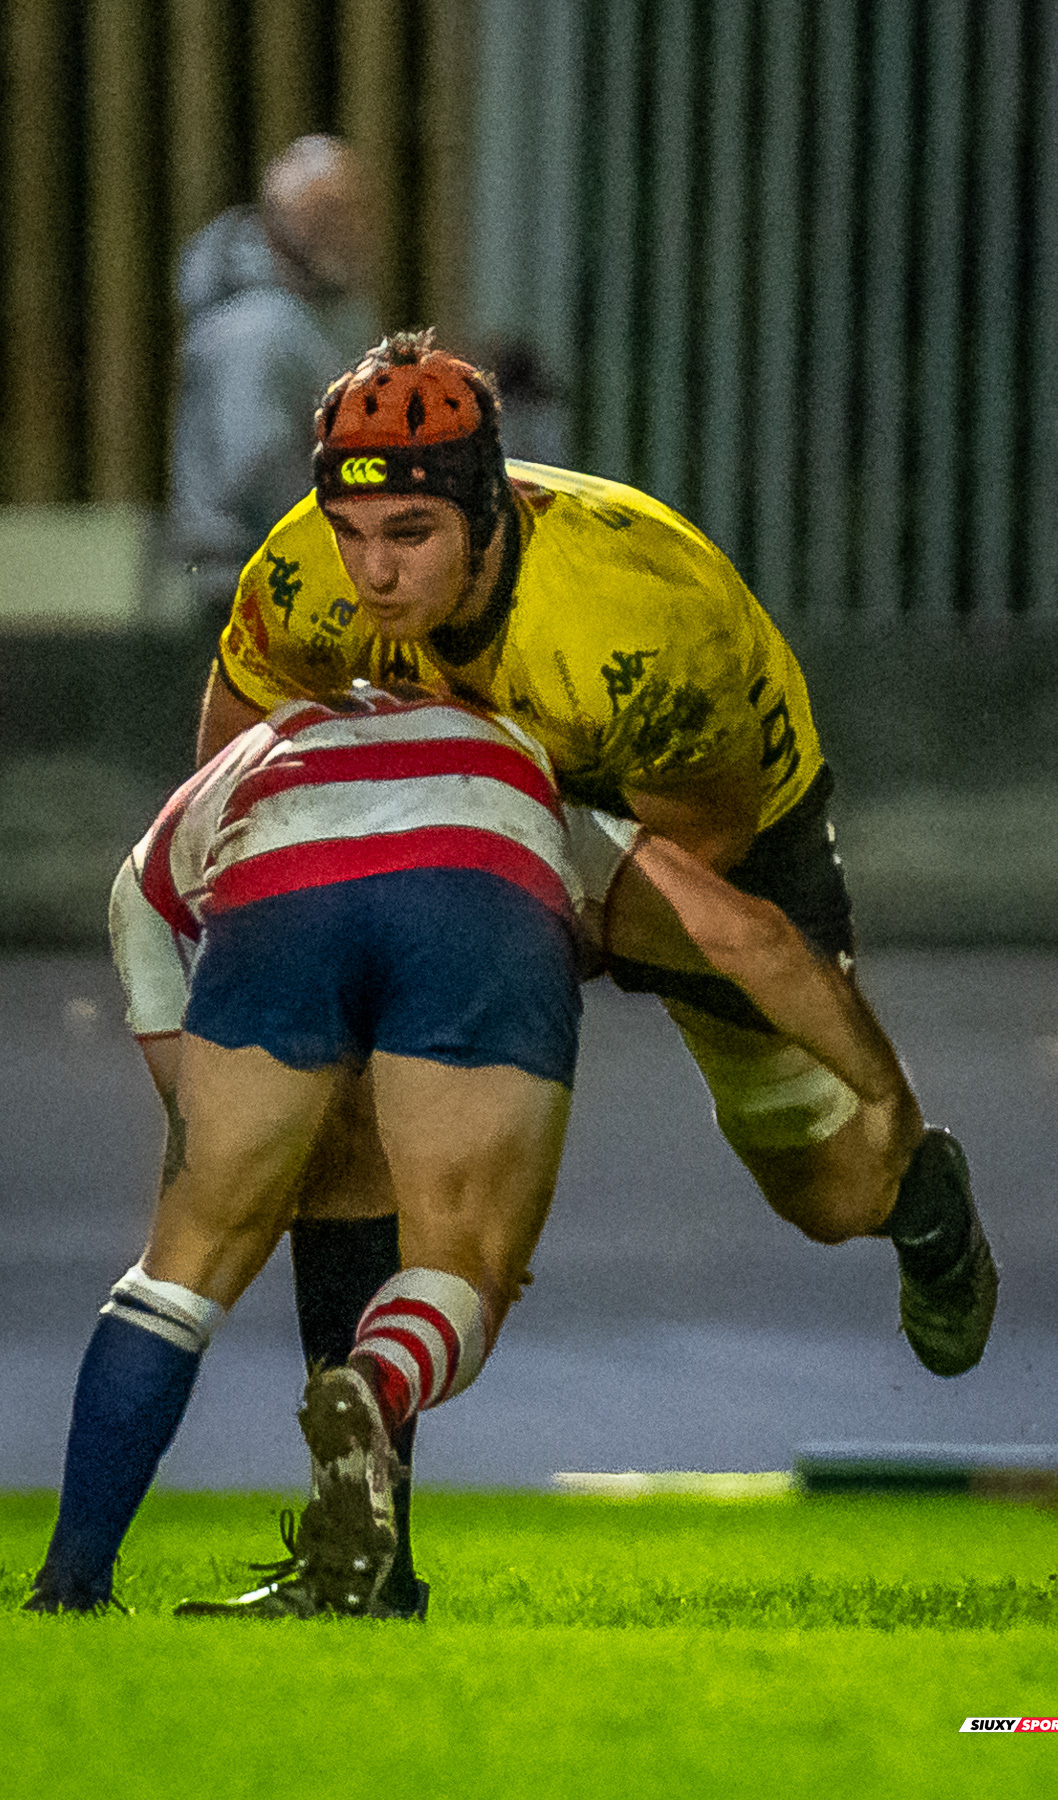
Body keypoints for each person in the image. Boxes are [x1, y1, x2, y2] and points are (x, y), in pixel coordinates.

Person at [194, 329, 998, 1597]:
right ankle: (367, 1555)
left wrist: (486, 915)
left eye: (412, 535)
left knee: (828, 1193)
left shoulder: (641, 620)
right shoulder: (302, 570)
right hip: (483, 803)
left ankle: (922, 1197)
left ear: (490, 508)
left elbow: (709, 866)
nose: (375, 573)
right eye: (354, 534)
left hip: (703, 825)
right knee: (342, 1123)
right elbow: (236, 742)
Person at [23, 681, 914, 1618]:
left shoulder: (246, 766)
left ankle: (70, 1586)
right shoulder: (536, 781)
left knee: (181, 1270)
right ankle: (373, 1386)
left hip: (278, 860)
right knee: (462, 1263)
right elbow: (752, 938)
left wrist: (212, 1141)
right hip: (475, 874)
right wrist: (884, 1088)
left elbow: (140, 911)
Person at [170, 136, 377, 624]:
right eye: (327, 213)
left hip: (301, 572)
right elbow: (259, 471)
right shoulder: (256, 329)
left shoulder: (331, 310)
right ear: (281, 220)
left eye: (357, 210)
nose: (349, 229)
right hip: (250, 585)